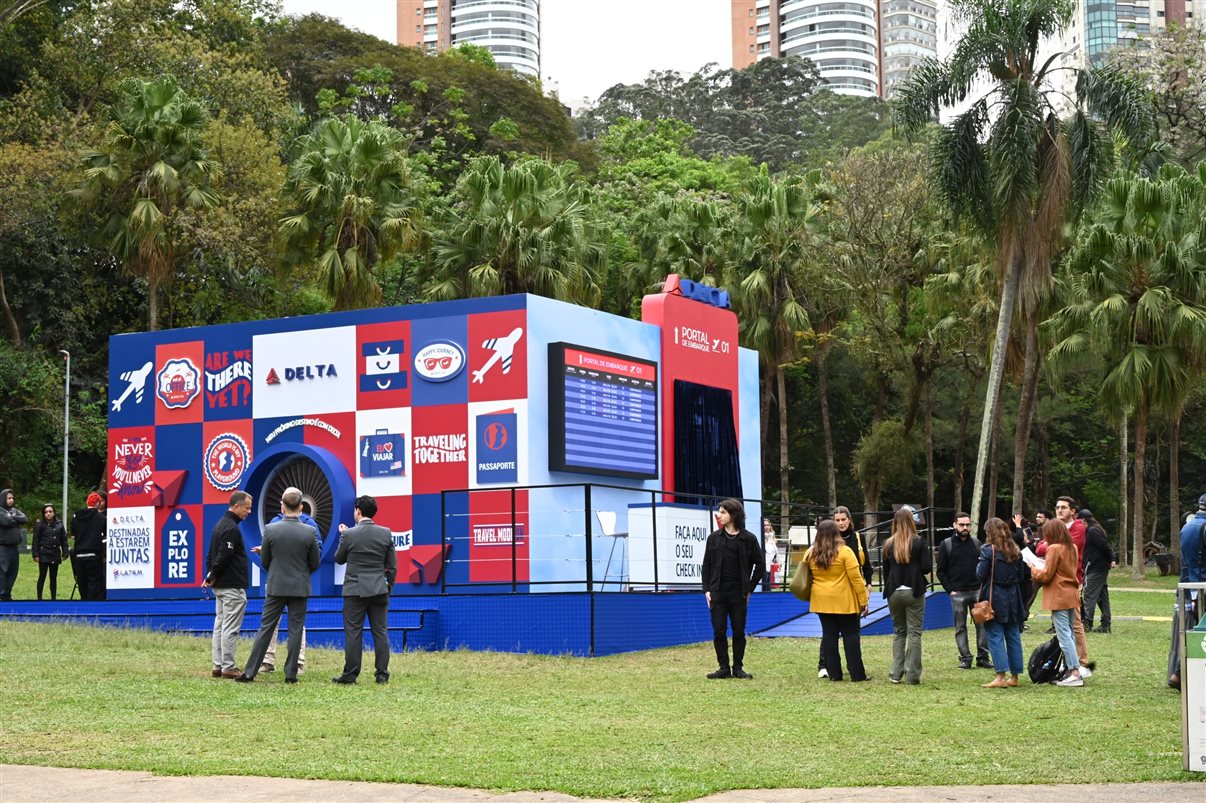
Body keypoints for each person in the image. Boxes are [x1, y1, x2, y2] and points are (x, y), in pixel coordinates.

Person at [236, 488, 321, 684]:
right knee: (296, 629)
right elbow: (315, 562)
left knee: (266, 628)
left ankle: (250, 672)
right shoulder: (310, 531)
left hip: (276, 585)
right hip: (300, 586)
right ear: (301, 507)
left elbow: (265, 560)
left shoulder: (271, 529)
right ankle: (291, 674)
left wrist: (275, 572)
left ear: (282, 506)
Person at [332, 495, 397, 685]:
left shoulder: (349, 534)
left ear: (358, 511)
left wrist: (343, 535)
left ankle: (350, 675)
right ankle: (382, 673)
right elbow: (392, 567)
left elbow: (339, 558)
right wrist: (388, 587)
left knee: (353, 632)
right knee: (380, 632)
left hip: (354, 590)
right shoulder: (386, 533)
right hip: (379, 589)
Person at [700, 498, 763, 679]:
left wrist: (749, 588)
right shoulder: (714, 538)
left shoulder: (748, 539)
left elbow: (759, 565)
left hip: (738, 593)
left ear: (733, 514)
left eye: (723, 512)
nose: (719, 515)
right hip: (718, 592)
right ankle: (723, 667)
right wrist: (707, 590)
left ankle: (738, 668)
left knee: (738, 631)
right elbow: (706, 565)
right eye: (720, 511)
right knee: (719, 630)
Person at [806, 518, 870, 682]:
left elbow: (806, 576)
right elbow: (856, 579)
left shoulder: (811, 553)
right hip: (844, 600)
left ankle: (834, 674)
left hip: (821, 599)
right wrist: (863, 600)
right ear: (836, 533)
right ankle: (857, 674)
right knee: (850, 635)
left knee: (829, 635)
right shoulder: (845, 551)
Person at [259, 508, 321, 675]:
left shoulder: (309, 524)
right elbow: (266, 554)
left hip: (294, 583)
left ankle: (298, 663)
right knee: (273, 623)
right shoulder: (273, 523)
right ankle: (267, 661)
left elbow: (317, 553)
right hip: (278, 583)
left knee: (297, 624)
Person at [202, 491, 252, 679]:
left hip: (220, 585)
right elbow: (224, 555)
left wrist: (210, 575)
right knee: (230, 627)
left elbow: (211, 554)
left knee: (220, 625)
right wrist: (213, 573)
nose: (248, 512)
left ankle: (218, 665)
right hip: (232, 585)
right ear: (237, 506)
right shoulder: (231, 528)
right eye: (246, 508)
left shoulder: (219, 525)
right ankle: (228, 666)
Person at [1030, 519, 1085, 686]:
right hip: (1071, 592)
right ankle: (1071, 669)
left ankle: (1074, 672)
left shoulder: (1053, 548)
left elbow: (1046, 575)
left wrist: (1033, 568)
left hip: (1058, 594)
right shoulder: (1072, 547)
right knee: (1071, 632)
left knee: (1064, 635)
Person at [977, 517, 1029, 688]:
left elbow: (980, 574)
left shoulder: (987, 550)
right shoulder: (1016, 550)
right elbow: (1022, 576)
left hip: (995, 597)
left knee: (995, 635)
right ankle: (1014, 677)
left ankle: (1000, 676)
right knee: (1013, 636)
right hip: (1014, 597)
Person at [881, 507, 931, 685]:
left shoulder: (888, 544)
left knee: (899, 632)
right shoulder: (919, 542)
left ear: (895, 522)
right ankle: (913, 676)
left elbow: (886, 573)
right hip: (914, 590)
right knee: (914, 633)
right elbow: (926, 568)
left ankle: (895, 673)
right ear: (912, 521)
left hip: (894, 591)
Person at [936, 511, 991, 669]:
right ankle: (965, 658)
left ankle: (983, 657)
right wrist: (950, 589)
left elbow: (985, 566)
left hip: (976, 591)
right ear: (954, 525)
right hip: (957, 592)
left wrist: (982, 588)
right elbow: (941, 570)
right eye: (962, 524)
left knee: (982, 625)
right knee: (960, 627)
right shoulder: (946, 544)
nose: (965, 527)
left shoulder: (976, 543)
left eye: (968, 524)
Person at [1168, 493, 1206, 690]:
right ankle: (1180, 673)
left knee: (1198, 632)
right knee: (1200, 635)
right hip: (1203, 585)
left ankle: (1179, 673)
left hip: (1192, 586)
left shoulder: (1187, 527)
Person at [1051, 496, 1091, 674]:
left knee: (1074, 624)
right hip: (1058, 582)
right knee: (1064, 626)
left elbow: (1065, 549)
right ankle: (1070, 660)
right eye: (1057, 507)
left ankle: (1080, 663)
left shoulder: (1078, 528)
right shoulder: (1058, 527)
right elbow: (1042, 547)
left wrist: (1051, 545)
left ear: (1073, 511)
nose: (1059, 510)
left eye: (1064, 508)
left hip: (1073, 582)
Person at [1079, 509, 1116, 634]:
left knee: (1089, 594)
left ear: (1083, 520)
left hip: (1095, 567)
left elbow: (1104, 546)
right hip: (1100, 566)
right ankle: (1106, 624)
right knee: (1101, 595)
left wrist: (1112, 558)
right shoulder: (1095, 529)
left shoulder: (1092, 531)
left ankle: (1087, 623)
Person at [70, 492, 107, 601]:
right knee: (94, 582)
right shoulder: (101, 518)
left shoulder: (76, 517)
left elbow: (73, 536)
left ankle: (83, 603)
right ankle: (91, 606)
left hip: (79, 555)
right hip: (94, 555)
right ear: (96, 504)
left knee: (82, 582)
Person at [32, 504, 69, 601]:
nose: (48, 514)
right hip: (44, 553)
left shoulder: (59, 524)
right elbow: (35, 540)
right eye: (46, 512)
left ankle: (53, 598)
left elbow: (64, 540)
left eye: (50, 512)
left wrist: (65, 552)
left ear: (54, 512)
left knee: (53, 577)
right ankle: (39, 598)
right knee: (42, 576)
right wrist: (35, 554)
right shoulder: (40, 524)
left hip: (55, 553)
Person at [0, 488, 29, 601]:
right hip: (3, 547)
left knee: (13, 572)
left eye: (12, 498)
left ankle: (7, 594)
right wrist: (15, 519)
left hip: (14, 547)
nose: (11, 500)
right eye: (9, 498)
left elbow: (25, 519)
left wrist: (13, 517)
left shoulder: (14, 510)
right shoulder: (0, 511)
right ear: (3, 499)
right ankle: (1, 595)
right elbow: (6, 522)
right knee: (2, 571)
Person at [762, 518, 779, 590]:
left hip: (771, 568)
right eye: (764, 525)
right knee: (763, 589)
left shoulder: (772, 538)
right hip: (763, 568)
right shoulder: (760, 538)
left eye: (768, 525)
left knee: (769, 590)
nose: (766, 527)